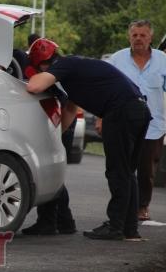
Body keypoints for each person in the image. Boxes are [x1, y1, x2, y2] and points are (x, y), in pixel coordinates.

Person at [26, 38, 151, 240]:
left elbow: (34, 87)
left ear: (42, 64)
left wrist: (33, 76)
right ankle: (129, 229)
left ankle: (115, 227)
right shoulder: (76, 70)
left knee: (118, 171)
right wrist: (54, 137)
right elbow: (70, 109)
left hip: (120, 112)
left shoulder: (65, 65)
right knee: (127, 171)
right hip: (139, 110)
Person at [105, 20, 166, 222]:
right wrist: (101, 118)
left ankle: (142, 206)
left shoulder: (162, 60)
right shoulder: (117, 59)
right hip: (122, 123)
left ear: (150, 38)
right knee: (121, 167)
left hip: (153, 125)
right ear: (129, 37)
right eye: (135, 35)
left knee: (146, 169)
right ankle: (123, 206)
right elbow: (106, 91)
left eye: (143, 35)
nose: (138, 39)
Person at [21, 52, 77, 236]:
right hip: (62, 125)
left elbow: (65, 105)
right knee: (54, 175)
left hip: (60, 126)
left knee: (51, 174)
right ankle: (64, 221)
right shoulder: (61, 71)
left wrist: (58, 134)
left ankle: (49, 221)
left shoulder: (54, 77)